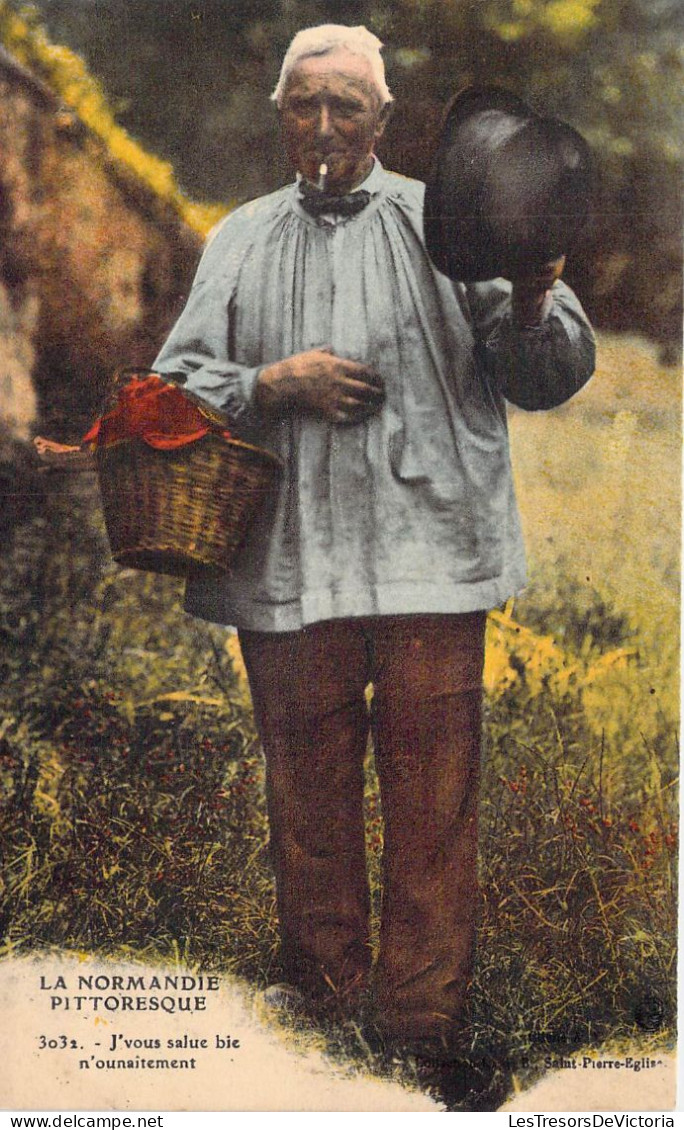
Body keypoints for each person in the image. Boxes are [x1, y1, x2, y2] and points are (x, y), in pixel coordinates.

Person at [153, 22, 595, 1090]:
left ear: (385, 122)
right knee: (306, 792)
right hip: (289, 563)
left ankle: (421, 1027)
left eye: (345, 106)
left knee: (433, 799)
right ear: (278, 117)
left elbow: (548, 371)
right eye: (303, 104)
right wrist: (269, 384)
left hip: (429, 561)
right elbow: (167, 388)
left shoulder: (455, 222)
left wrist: (533, 301)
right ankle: (323, 1017)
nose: (321, 126)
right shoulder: (239, 238)